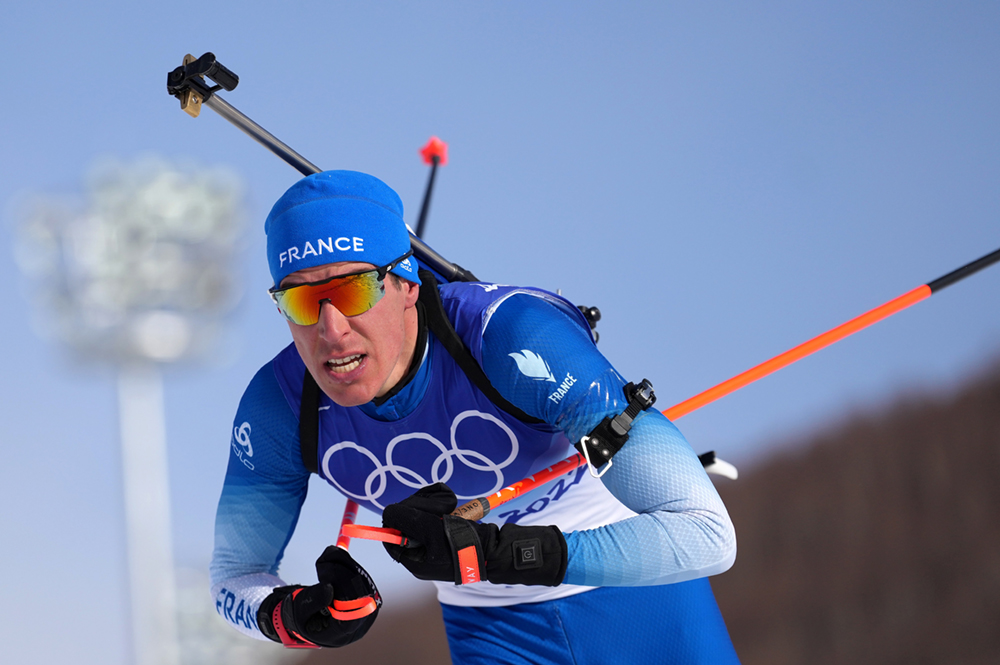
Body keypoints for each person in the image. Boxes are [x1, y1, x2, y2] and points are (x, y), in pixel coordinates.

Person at [210, 170, 741, 663]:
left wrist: (493, 555)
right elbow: (232, 576)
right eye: (303, 302)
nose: (331, 329)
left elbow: (706, 535)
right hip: (491, 630)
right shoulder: (280, 405)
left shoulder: (514, 336)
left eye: (353, 290)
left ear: (407, 285)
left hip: (636, 589)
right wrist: (295, 616)